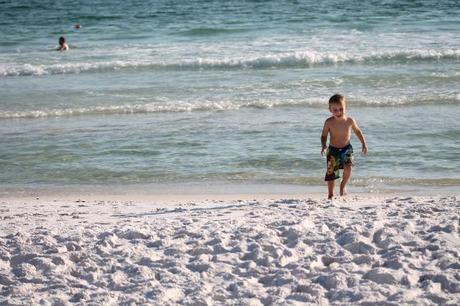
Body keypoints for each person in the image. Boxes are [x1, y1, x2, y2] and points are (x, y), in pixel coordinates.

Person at [321, 94, 368, 199]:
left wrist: (364, 143)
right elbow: (324, 135)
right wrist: (324, 145)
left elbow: (358, 131)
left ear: (346, 107)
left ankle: (343, 185)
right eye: (335, 110)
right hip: (333, 150)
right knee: (331, 174)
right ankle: (330, 194)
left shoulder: (350, 121)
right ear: (330, 110)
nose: (338, 112)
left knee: (349, 167)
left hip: (346, 149)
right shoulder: (329, 122)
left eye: (341, 109)